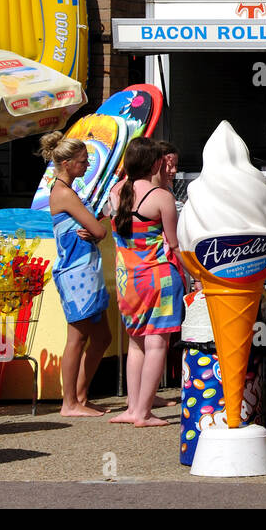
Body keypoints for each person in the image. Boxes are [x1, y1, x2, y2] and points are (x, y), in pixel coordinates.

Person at [110, 138, 183, 427]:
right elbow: (174, 245)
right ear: (155, 164)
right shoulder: (161, 197)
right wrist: (197, 276)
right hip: (158, 278)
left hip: (127, 280)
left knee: (136, 344)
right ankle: (144, 413)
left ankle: (132, 408)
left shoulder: (117, 192)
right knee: (156, 345)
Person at [42, 132, 111, 417]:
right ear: (67, 163)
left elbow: (93, 228)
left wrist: (96, 228)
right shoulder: (64, 193)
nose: (86, 166)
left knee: (103, 336)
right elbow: (98, 230)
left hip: (84, 268)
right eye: (83, 162)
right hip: (75, 271)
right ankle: (69, 402)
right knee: (77, 338)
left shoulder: (67, 192)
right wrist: (97, 229)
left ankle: (80, 396)